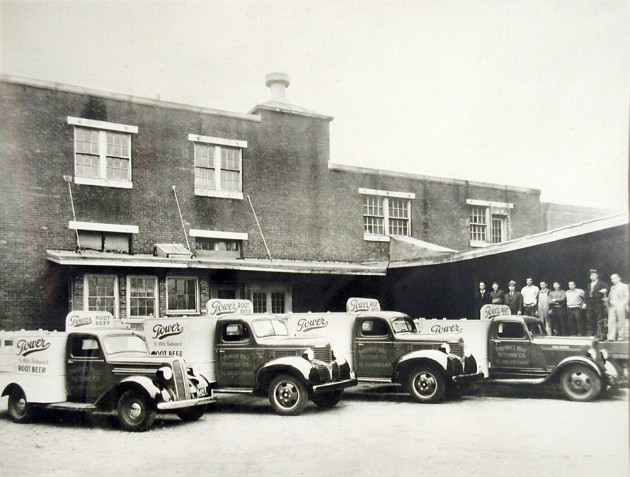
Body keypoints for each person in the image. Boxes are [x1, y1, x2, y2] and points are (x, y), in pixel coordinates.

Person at [585, 269, 609, 339]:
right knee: (590, 318)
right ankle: (591, 332)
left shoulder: (601, 283)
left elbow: (607, 287)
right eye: (591, 276)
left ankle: (598, 333)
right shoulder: (588, 285)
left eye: (594, 275)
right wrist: (585, 303)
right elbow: (586, 294)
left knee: (598, 318)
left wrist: (605, 290)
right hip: (590, 303)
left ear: (597, 276)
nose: (592, 277)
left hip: (597, 303)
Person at [607, 273, 629, 341]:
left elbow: (627, 296)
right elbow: (610, 297)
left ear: (619, 278)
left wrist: (622, 304)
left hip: (620, 305)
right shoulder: (612, 287)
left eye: (614, 278)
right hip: (612, 306)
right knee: (611, 322)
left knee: (621, 322)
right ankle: (611, 337)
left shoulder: (624, 286)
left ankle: (620, 337)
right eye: (611, 279)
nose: (612, 280)